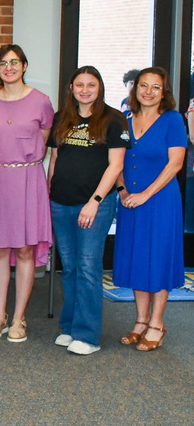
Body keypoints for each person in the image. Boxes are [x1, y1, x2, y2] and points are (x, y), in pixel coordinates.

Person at [47, 66, 128, 355]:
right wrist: (49, 195)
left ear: (99, 88)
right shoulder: (62, 119)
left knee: (88, 268)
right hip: (60, 203)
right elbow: (55, 159)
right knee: (68, 268)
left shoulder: (113, 120)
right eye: (79, 84)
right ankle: (70, 327)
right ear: (71, 87)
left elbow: (116, 165)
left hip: (95, 205)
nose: (84, 90)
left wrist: (94, 201)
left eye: (90, 85)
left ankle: (88, 335)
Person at [0, 44, 54, 343]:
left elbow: (43, 140)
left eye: (15, 62)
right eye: (3, 63)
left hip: (27, 179)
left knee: (24, 250)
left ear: (24, 65)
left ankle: (19, 318)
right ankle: (0, 316)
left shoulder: (41, 102)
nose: (9, 67)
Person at [113, 67, 186, 352]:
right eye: (144, 85)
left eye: (156, 87)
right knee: (136, 257)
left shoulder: (172, 120)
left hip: (160, 202)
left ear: (164, 92)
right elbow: (115, 161)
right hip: (130, 201)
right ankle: (141, 321)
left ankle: (157, 322)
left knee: (158, 257)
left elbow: (175, 164)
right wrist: (122, 190)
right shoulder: (125, 120)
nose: (148, 92)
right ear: (135, 89)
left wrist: (145, 194)